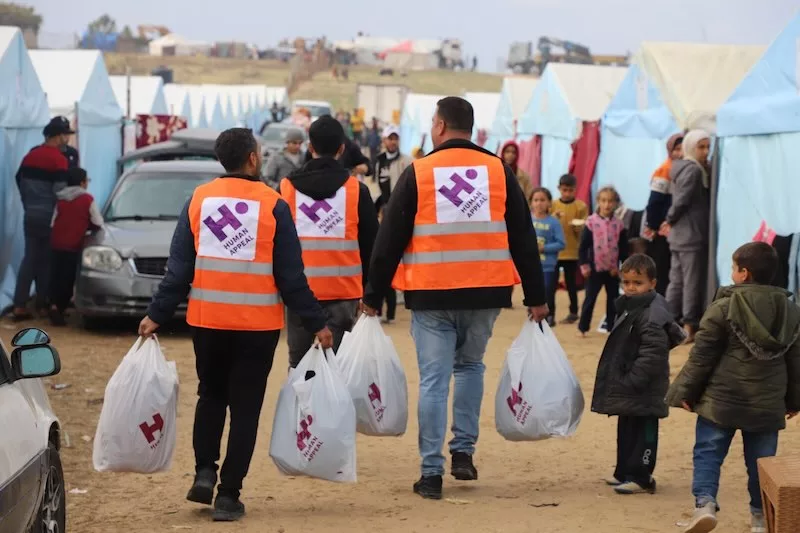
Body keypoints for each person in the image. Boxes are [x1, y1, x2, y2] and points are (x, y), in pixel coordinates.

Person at [138, 128, 333, 522]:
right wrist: (317, 322)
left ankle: (204, 472)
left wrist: (156, 315)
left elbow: (179, 271)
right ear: (253, 159)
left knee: (211, 397)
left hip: (208, 322)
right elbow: (291, 278)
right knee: (245, 410)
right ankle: (228, 495)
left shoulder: (198, 200)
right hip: (256, 327)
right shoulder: (274, 205)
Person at [361, 96, 548, 500]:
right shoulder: (498, 170)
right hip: (485, 291)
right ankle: (463, 452)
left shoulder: (420, 172)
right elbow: (523, 236)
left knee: (433, 380)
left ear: (441, 126)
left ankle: (431, 474)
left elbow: (388, 240)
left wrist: (372, 295)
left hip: (431, 293)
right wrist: (537, 296)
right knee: (470, 368)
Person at [667, 242, 800, 533]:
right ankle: (760, 517)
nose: (732, 272)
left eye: (733, 267)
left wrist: (685, 392)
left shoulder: (723, 306)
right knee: (762, 463)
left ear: (744, 273)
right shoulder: (791, 311)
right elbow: (795, 361)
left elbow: (702, 356)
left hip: (721, 400)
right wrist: (794, 400)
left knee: (708, 452)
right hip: (767, 404)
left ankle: (705, 505)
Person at [279, 116, 379, 367]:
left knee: (300, 368)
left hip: (300, 294)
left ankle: (302, 409)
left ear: (309, 147)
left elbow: (275, 244)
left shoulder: (287, 188)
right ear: (342, 149)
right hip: (343, 294)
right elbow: (372, 246)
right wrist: (371, 292)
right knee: (339, 368)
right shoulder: (357, 191)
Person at [591, 254, 685, 495]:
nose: (631, 288)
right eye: (627, 282)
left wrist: (634, 378)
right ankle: (624, 472)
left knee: (643, 433)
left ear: (652, 283)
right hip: (628, 385)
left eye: (638, 283)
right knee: (627, 430)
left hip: (644, 388)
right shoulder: (629, 306)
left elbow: (652, 354)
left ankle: (642, 476)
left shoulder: (652, 313)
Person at [12, 116, 73, 321]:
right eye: (65, 135)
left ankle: (19, 304)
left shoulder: (30, 156)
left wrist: (29, 202)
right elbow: (60, 192)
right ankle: (42, 304)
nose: (67, 139)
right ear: (56, 137)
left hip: (30, 213)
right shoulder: (59, 160)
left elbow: (19, 180)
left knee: (29, 259)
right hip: (49, 217)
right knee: (46, 261)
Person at [659, 130, 711, 343]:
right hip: (690, 233)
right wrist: (669, 219)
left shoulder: (679, 167)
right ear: (691, 147)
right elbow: (682, 200)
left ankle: (669, 324)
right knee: (689, 282)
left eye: (708, 147)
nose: (706, 152)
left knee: (677, 281)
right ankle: (689, 326)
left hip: (679, 234)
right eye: (701, 147)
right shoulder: (693, 171)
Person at [48, 167, 103, 326]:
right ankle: (59, 308)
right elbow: (98, 222)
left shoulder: (61, 198)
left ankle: (53, 304)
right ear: (82, 182)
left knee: (56, 276)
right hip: (73, 245)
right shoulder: (87, 199)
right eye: (87, 181)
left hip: (56, 243)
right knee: (68, 278)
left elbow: (53, 222)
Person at [373, 124, 413, 324]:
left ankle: (400, 291)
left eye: (396, 138)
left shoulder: (406, 161)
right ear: (384, 140)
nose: (393, 141)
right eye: (390, 138)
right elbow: (375, 186)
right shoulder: (379, 161)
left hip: (402, 210)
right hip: (385, 211)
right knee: (385, 252)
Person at [578, 186, 629, 336]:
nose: (607, 204)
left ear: (616, 203)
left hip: (612, 270)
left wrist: (621, 268)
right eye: (604, 201)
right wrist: (585, 266)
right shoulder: (591, 222)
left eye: (611, 201)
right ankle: (583, 328)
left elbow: (623, 249)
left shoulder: (619, 224)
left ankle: (611, 328)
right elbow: (583, 247)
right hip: (595, 269)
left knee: (613, 300)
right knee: (590, 299)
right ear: (598, 202)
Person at [643, 133, 683, 296]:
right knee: (661, 268)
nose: (680, 153)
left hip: (672, 228)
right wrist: (653, 226)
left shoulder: (681, 169)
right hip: (661, 229)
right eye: (677, 149)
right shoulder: (665, 170)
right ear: (670, 150)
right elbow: (654, 202)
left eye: (683, 149)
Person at [552, 173, 589, 324]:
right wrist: (554, 217)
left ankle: (573, 312)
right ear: (559, 189)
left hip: (572, 252)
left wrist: (579, 227)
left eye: (570, 190)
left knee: (571, 284)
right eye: (564, 190)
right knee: (550, 285)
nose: (567, 193)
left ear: (575, 190)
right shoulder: (553, 206)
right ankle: (550, 313)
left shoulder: (581, 206)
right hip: (554, 252)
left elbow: (585, 228)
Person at [530, 187, 565, 327]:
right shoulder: (526, 220)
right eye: (536, 200)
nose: (539, 203)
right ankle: (532, 317)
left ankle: (549, 318)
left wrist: (543, 248)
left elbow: (561, 243)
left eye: (542, 200)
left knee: (547, 294)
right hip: (531, 267)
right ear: (531, 203)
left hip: (548, 267)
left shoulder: (554, 223)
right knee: (531, 294)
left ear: (549, 203)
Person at [303, 121, 372, 176]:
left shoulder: (295, 184)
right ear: (342, 149)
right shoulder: (358, 189)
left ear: (310, 148)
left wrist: (365, 168)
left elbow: (367, 165)